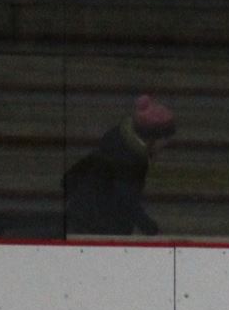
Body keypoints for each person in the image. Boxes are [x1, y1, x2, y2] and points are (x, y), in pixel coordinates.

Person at [63, 95, 177, 236]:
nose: (164, 146)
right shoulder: (130, 160)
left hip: (84, 217)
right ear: (155, 139)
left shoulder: (118, 137)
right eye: (165, 140)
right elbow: (127, 200)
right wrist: (152, 230)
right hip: (97, 226)